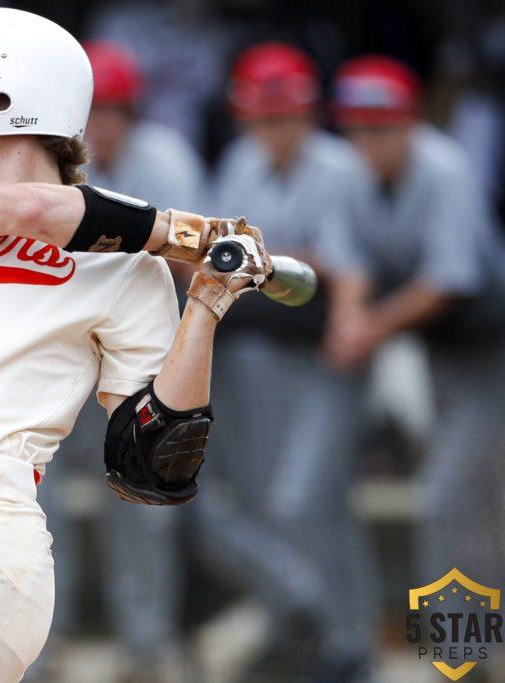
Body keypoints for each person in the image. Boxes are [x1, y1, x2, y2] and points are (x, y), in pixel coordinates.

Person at [0, 8, 277, 681]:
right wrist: (188, 232)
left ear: (8, 99)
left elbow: (151, 464)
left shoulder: (129, 266)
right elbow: (32, 210)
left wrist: (206, 301)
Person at [192, 42, 379, 682]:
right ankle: (297, 624)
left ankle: (351, 640)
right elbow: (223, 254)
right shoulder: (242, 161)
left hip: (329, 348)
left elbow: (340, 266)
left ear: (309, 115)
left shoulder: (339, 166)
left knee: (310, 500)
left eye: (286, 116)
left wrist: (266, 263)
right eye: (263, 117)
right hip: (256, 349)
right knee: (250, 499)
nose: (274, 129)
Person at [37, 40, 205, 683]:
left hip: (141, 361)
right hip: (68, 356)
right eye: (90, 108)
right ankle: (41, 648)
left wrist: (127, 243)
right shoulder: (52, 162)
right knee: (39, 507)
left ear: (131, 110)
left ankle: (147, 649)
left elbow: (190, 255)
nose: (100, 121)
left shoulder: (164, 154)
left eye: (111, 108)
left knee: (139, 504)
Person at [326, 56, 505, 619]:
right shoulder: (351, 174)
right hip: (440, 354)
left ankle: (463, 654)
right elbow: (349, 263)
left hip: (490, 352)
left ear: (411, 121)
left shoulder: (444, 167)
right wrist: (348, 319)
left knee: (451, 497)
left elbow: (449, 283)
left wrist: (368, 327)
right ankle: (472, 653)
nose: (369, 138)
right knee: (469, 499)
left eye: (381, 125)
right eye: (358, 126)